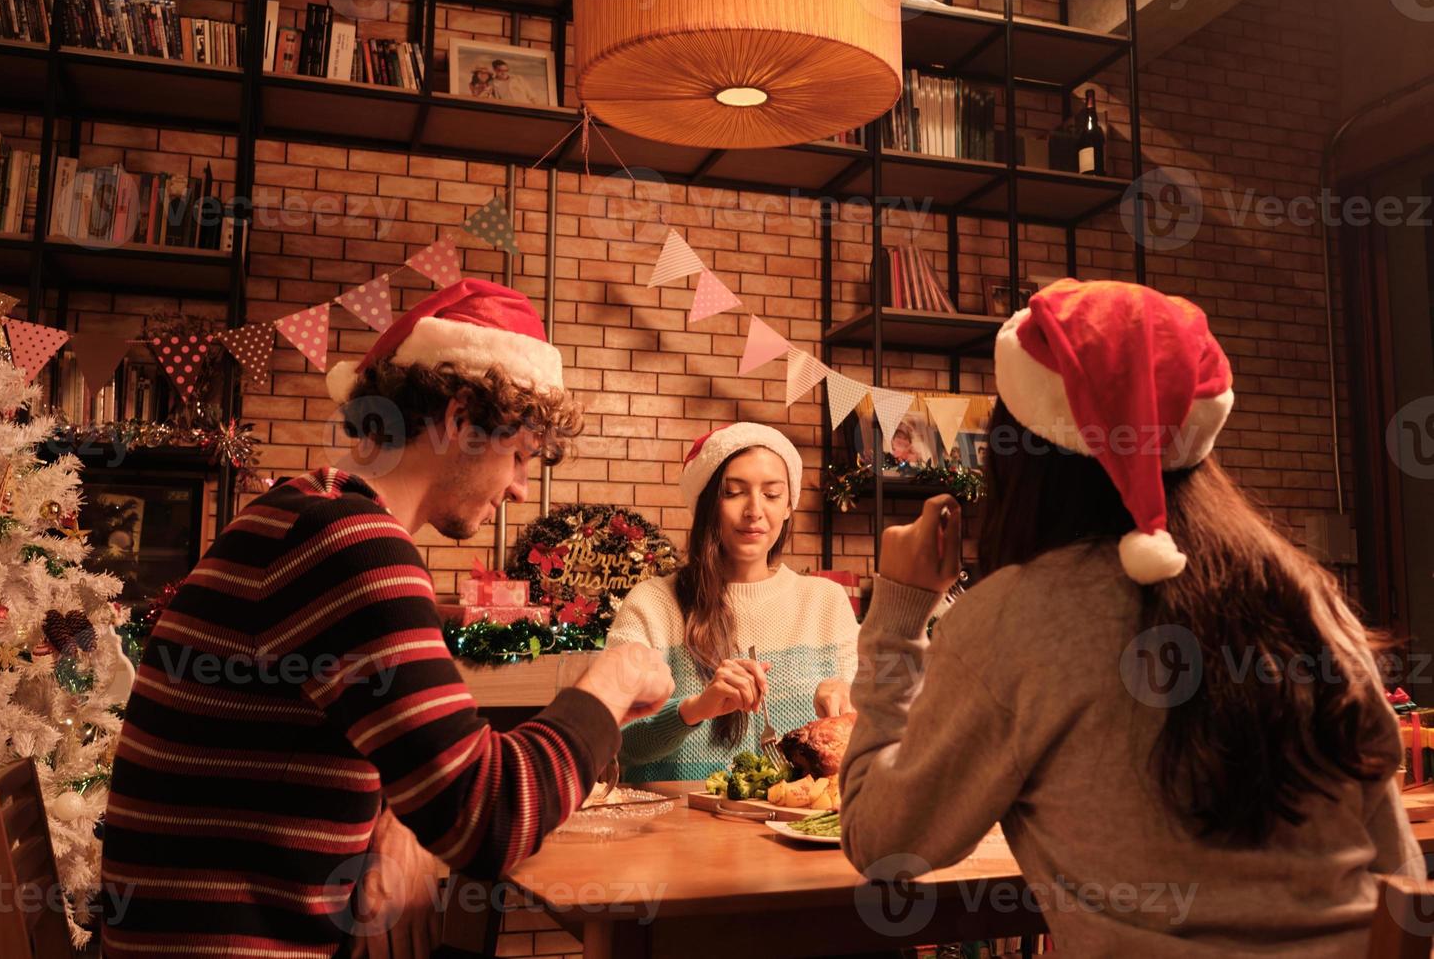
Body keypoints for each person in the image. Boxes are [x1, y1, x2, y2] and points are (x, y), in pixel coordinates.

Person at [841, 278, 1418, 956]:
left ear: (1018, 451)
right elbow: (1397, 870)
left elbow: (882, 841)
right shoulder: (1301, 591)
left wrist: (901, 610)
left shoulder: (1016, 616)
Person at [100, 279, 674, 959]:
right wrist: (614, 677)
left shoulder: (311, 512)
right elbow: (488, 821)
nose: (521, 488)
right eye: (519, 455)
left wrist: (399, 818)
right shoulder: (352, 546)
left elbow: (421, 768)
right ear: (460, 419)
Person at [606, 423, 859, 783]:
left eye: (772, 495)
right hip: (672, 830)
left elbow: (882, 737)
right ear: (709, 504)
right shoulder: (653, 605)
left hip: (793, 831)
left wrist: (855, 705)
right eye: (735, 492)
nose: (754, 510)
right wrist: (693, 710)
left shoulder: (826, 602)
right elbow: (614, 743)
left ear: (788, 506)